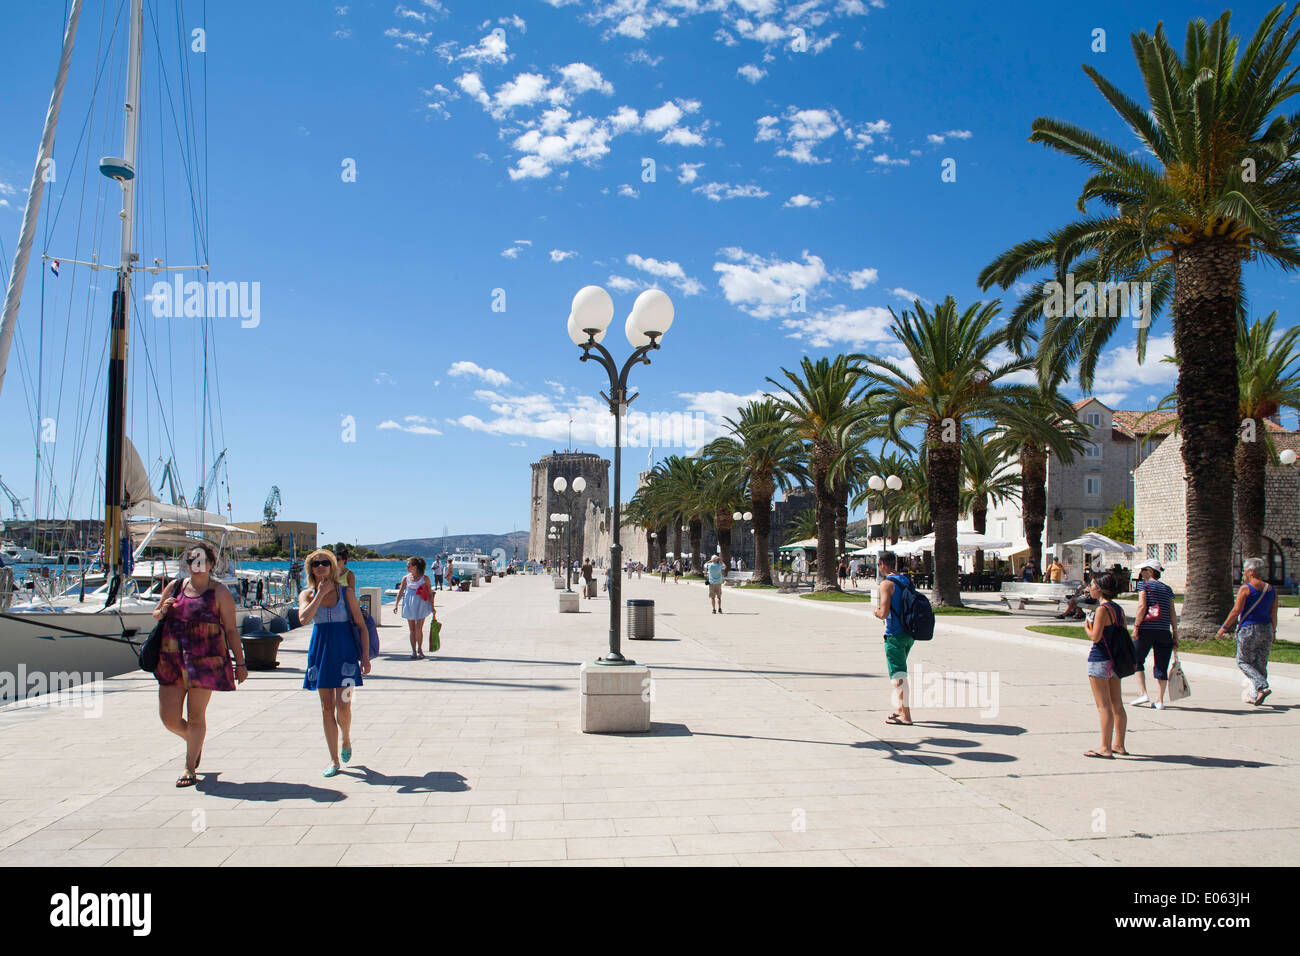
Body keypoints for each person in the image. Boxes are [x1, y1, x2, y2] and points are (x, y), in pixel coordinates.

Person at [153, 543, 246, 787]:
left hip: (205, 661)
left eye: (201, 559)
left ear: (211, 564)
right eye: (192, 559)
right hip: (171, 659)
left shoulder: (220, 592)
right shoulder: (175, 587)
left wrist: (241, 662)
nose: (196, 564)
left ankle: (189, 766)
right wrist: (161, 610)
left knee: (196, 715)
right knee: (169, 718)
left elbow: (231, 630)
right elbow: (156, 614)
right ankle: (194, 741)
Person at [299, 549, 372, 777]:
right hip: (320, 653)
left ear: (331, 566)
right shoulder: (307, 595)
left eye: (324, 563)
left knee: (344, 706)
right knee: (326, 707)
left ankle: (346, 738)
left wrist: (366, 657)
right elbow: (303, 619)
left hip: (345, 655)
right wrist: (319, 595)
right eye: (315, 563)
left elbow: (361, 625)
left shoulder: (346, 593)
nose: (320, 567)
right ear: (311, 569)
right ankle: (333, 759)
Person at [1217, 557, 1278, 706]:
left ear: (1251, 571)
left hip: (1249, 629)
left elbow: (1236, 610)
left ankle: (1261, 686)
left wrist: (1223, 628)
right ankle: (1255, 693)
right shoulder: (1271, 589)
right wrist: (1274, 632)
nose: (1243, 572)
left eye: (1244, 570)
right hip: (1267, 629)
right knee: (1260, 663)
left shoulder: (1246, 588)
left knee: (1242, 661)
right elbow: (1273, 613)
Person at [1083, 572, 1129, 758]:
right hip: (1115, 660)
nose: (1090, 587)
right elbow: (1122, 631)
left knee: (1103, 706)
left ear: (1100, 588)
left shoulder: (1102, 609)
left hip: (1099, 658)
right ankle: (1119, 744)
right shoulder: (1118, 609)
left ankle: (1105, 747)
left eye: (1092, 584)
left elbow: (1096, 636)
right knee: (1117, 703)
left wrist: (1087, 624)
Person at [873, 551, 914, 726]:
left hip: (894, 635)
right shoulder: (905, 580)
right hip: (909, 633)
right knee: (900, 670)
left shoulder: (886, 584)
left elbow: (884, 613)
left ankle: (906, 715)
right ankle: (899, 709)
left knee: (899, 675)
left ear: (882, 563)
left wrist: (875, 612)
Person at [1131, 559, 1178, 709]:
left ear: (1150, 572)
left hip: (1146, 629)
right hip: (1164, 631)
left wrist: (1136, 627)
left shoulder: (1144, 585)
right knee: (1161, 665)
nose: (1140, 574)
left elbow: (1142, 606)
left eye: (1143, 571)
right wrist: (1175, 633)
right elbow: (1172, 612)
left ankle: (1143, 693)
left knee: (1136, 659)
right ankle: (1160, 700)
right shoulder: (1167, 589)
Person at [393, 557, 434, 658]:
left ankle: (420, 649)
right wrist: (396, 604)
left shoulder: (425, 578)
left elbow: (429, 593)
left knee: (419, 628)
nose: (407, 567)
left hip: (421, 604)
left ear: (415, 566)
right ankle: (413, 651)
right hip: (409, 604)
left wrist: (433, 607)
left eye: (408, 565)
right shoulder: (406, 578)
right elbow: (401, 591)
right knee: (412, 629)